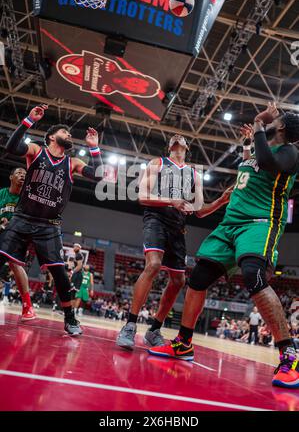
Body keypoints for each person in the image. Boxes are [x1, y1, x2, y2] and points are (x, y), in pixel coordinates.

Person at [148, 102, 299, 389]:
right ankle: (183, 343)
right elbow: (254, 164)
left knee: (254, 277)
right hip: (230, 224)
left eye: (275, 118)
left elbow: (269, 164)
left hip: (259, 222)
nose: (270, 119)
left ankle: (289, 355)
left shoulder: (290, 152)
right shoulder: (258, 149)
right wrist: (248, 143)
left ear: (280, 127)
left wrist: (257, 123)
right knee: (197, 280)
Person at [116, 134, 231, 350]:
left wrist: (220, 201)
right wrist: (172, 200)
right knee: (153, 264)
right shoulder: (157, 163)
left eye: (182, 138)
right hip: (156, 219)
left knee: (178, 281)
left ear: (188, 146)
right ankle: (130, 325)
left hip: (178, 226)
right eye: (174, 137)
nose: (178, 138)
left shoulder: (194, 173)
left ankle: (154, 329)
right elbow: (142, 196)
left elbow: (199, 210)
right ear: (170, 145)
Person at [0, 104, 103, 335]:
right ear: (51, 137)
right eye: (64, 132)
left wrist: (95, 149)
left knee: (59, 274)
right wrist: (28, 120)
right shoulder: (36, 151)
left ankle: (70, 319)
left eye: (69, 133)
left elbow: (99, 174)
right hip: (22, 217)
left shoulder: (72, 163)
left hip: (49, 225)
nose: (69, 135)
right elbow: (11, 146)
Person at [0, 167, 36, 320]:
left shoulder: (27, 197)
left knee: (15, 265)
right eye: (19, 173)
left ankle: (28, 307)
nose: (22, 175)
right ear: (11, 177)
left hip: (16, 235)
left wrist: (12, 224)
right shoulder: (2, 193)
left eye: (25, 174)